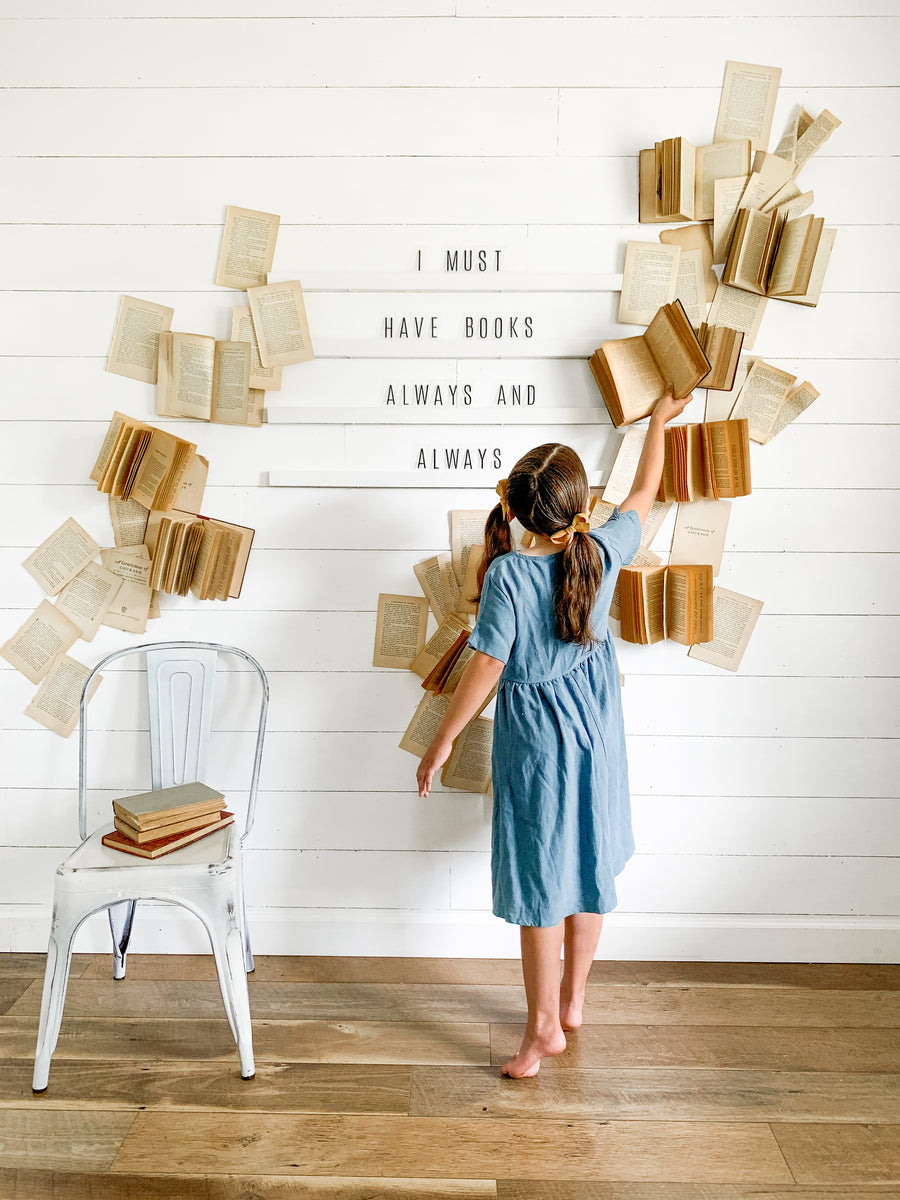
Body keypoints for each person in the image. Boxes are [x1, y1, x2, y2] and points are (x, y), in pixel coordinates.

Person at [416, 387, 691, 1078]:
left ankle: (543, 1032)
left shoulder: (509, 575)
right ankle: (571, 1001)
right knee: (588, 864)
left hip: (539, 742)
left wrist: (443, 740)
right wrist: (657, 420)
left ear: (511, 510)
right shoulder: (600, 549)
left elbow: (487, 664)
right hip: (598, 733)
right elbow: (645, 495)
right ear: (579, 508)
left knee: (542, 881)